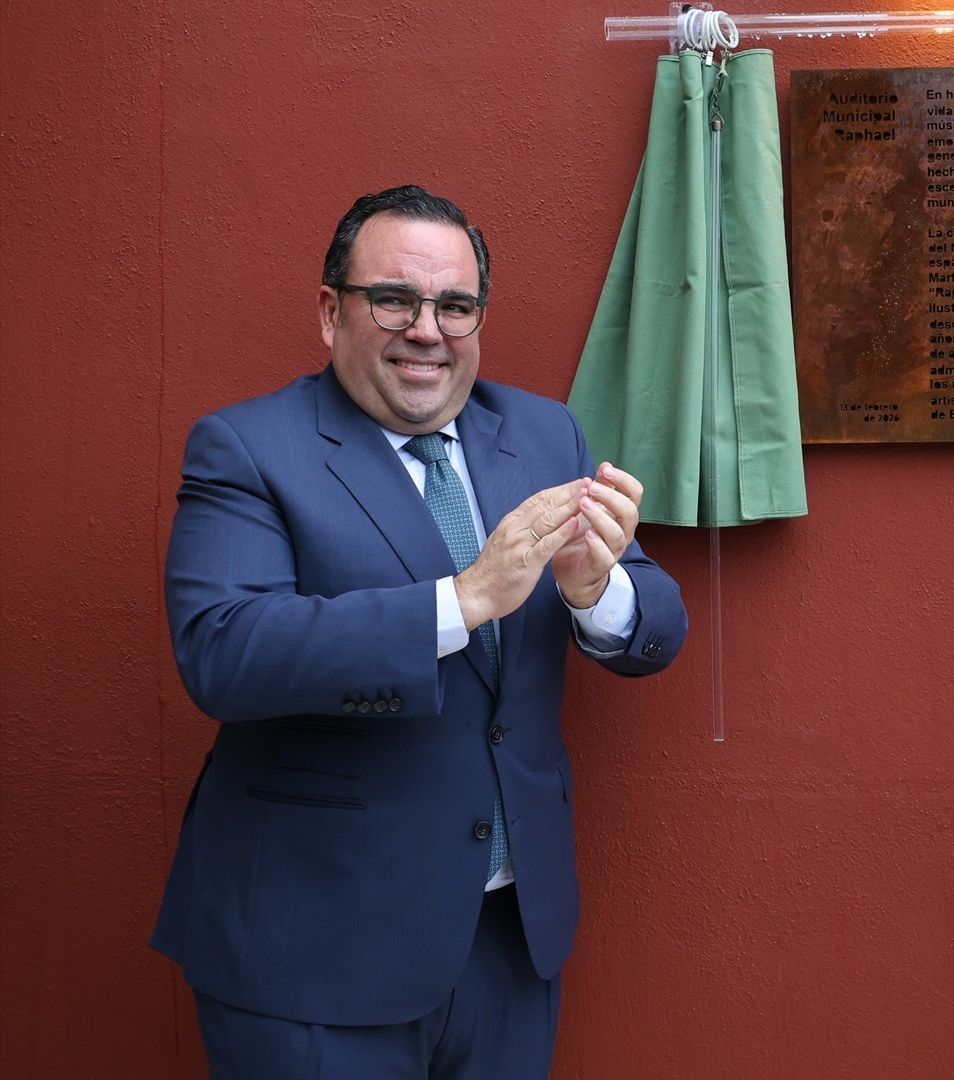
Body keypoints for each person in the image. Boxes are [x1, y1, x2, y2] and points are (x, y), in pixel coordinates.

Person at [153, 185, 688, 1078]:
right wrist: (463, 600)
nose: (426, 330)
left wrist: (599, 592)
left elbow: (652, 621)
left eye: (454, 305)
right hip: (317, 952)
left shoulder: (543, 431)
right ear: (331, 313)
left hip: (508, 941)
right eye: (393, 299)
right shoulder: (246, 448)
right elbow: (224, 651)